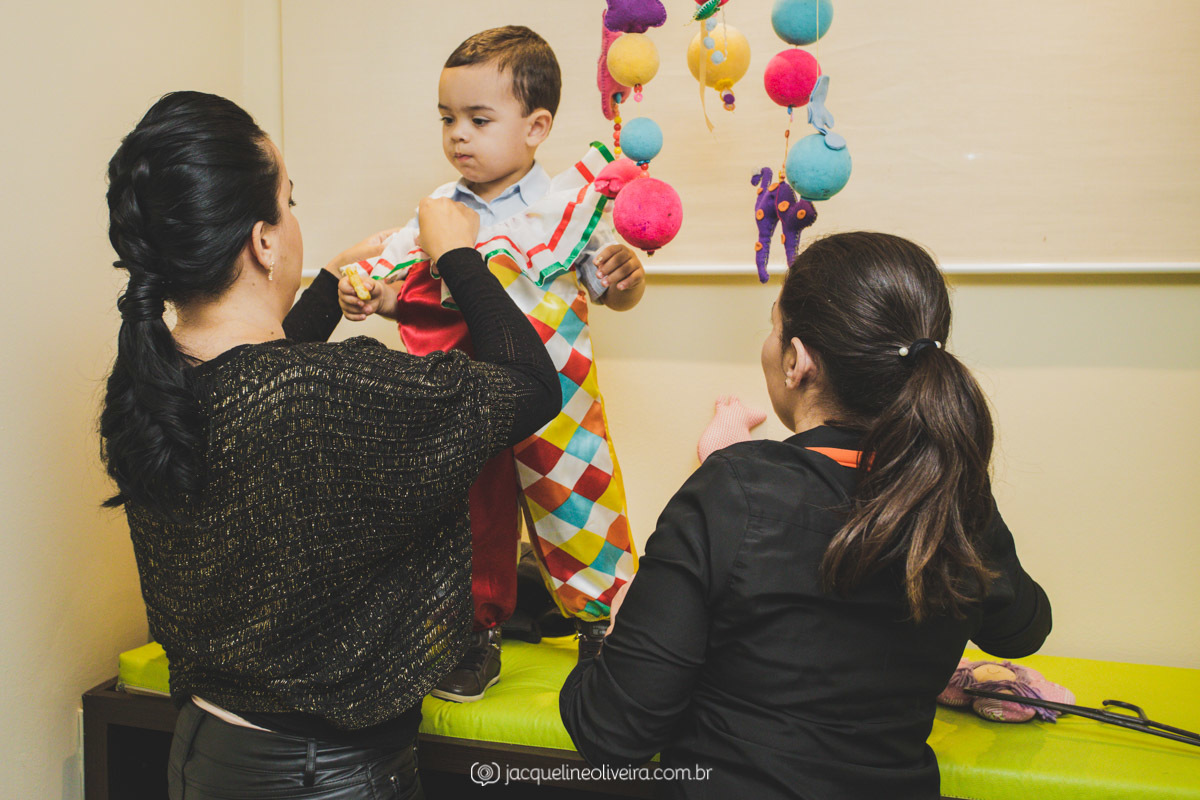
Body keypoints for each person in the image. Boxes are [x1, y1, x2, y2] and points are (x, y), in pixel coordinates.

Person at [99, 90, 560, 800]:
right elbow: (529, 384)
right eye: (290, 201)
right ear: (262, 239)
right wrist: (461, 257)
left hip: (203, 750)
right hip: (320, 774)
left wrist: (317, 286)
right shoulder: (331, 391)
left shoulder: (151, 382)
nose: (294, 219)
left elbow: (258, 389)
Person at [559, 232, 1052, 799]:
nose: (771, 345)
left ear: (798, 361)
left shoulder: (733, 488)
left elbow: (612, 735)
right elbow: (1023, 631)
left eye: (774, 328)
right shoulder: (953, 495)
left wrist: (611, 636)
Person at [338, 25, 645, 702]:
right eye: (447, 119)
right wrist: (373, 296)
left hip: (557, 394)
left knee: (579, 498)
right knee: (469, 512)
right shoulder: (439, 214)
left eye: (479, 119)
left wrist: (626, 278)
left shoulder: (568, 207)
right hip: (467, 395)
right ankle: (474, 633)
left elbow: (609, 290)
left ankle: (602, 624)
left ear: (537, 127)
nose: (458, 136)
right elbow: (408, 293)